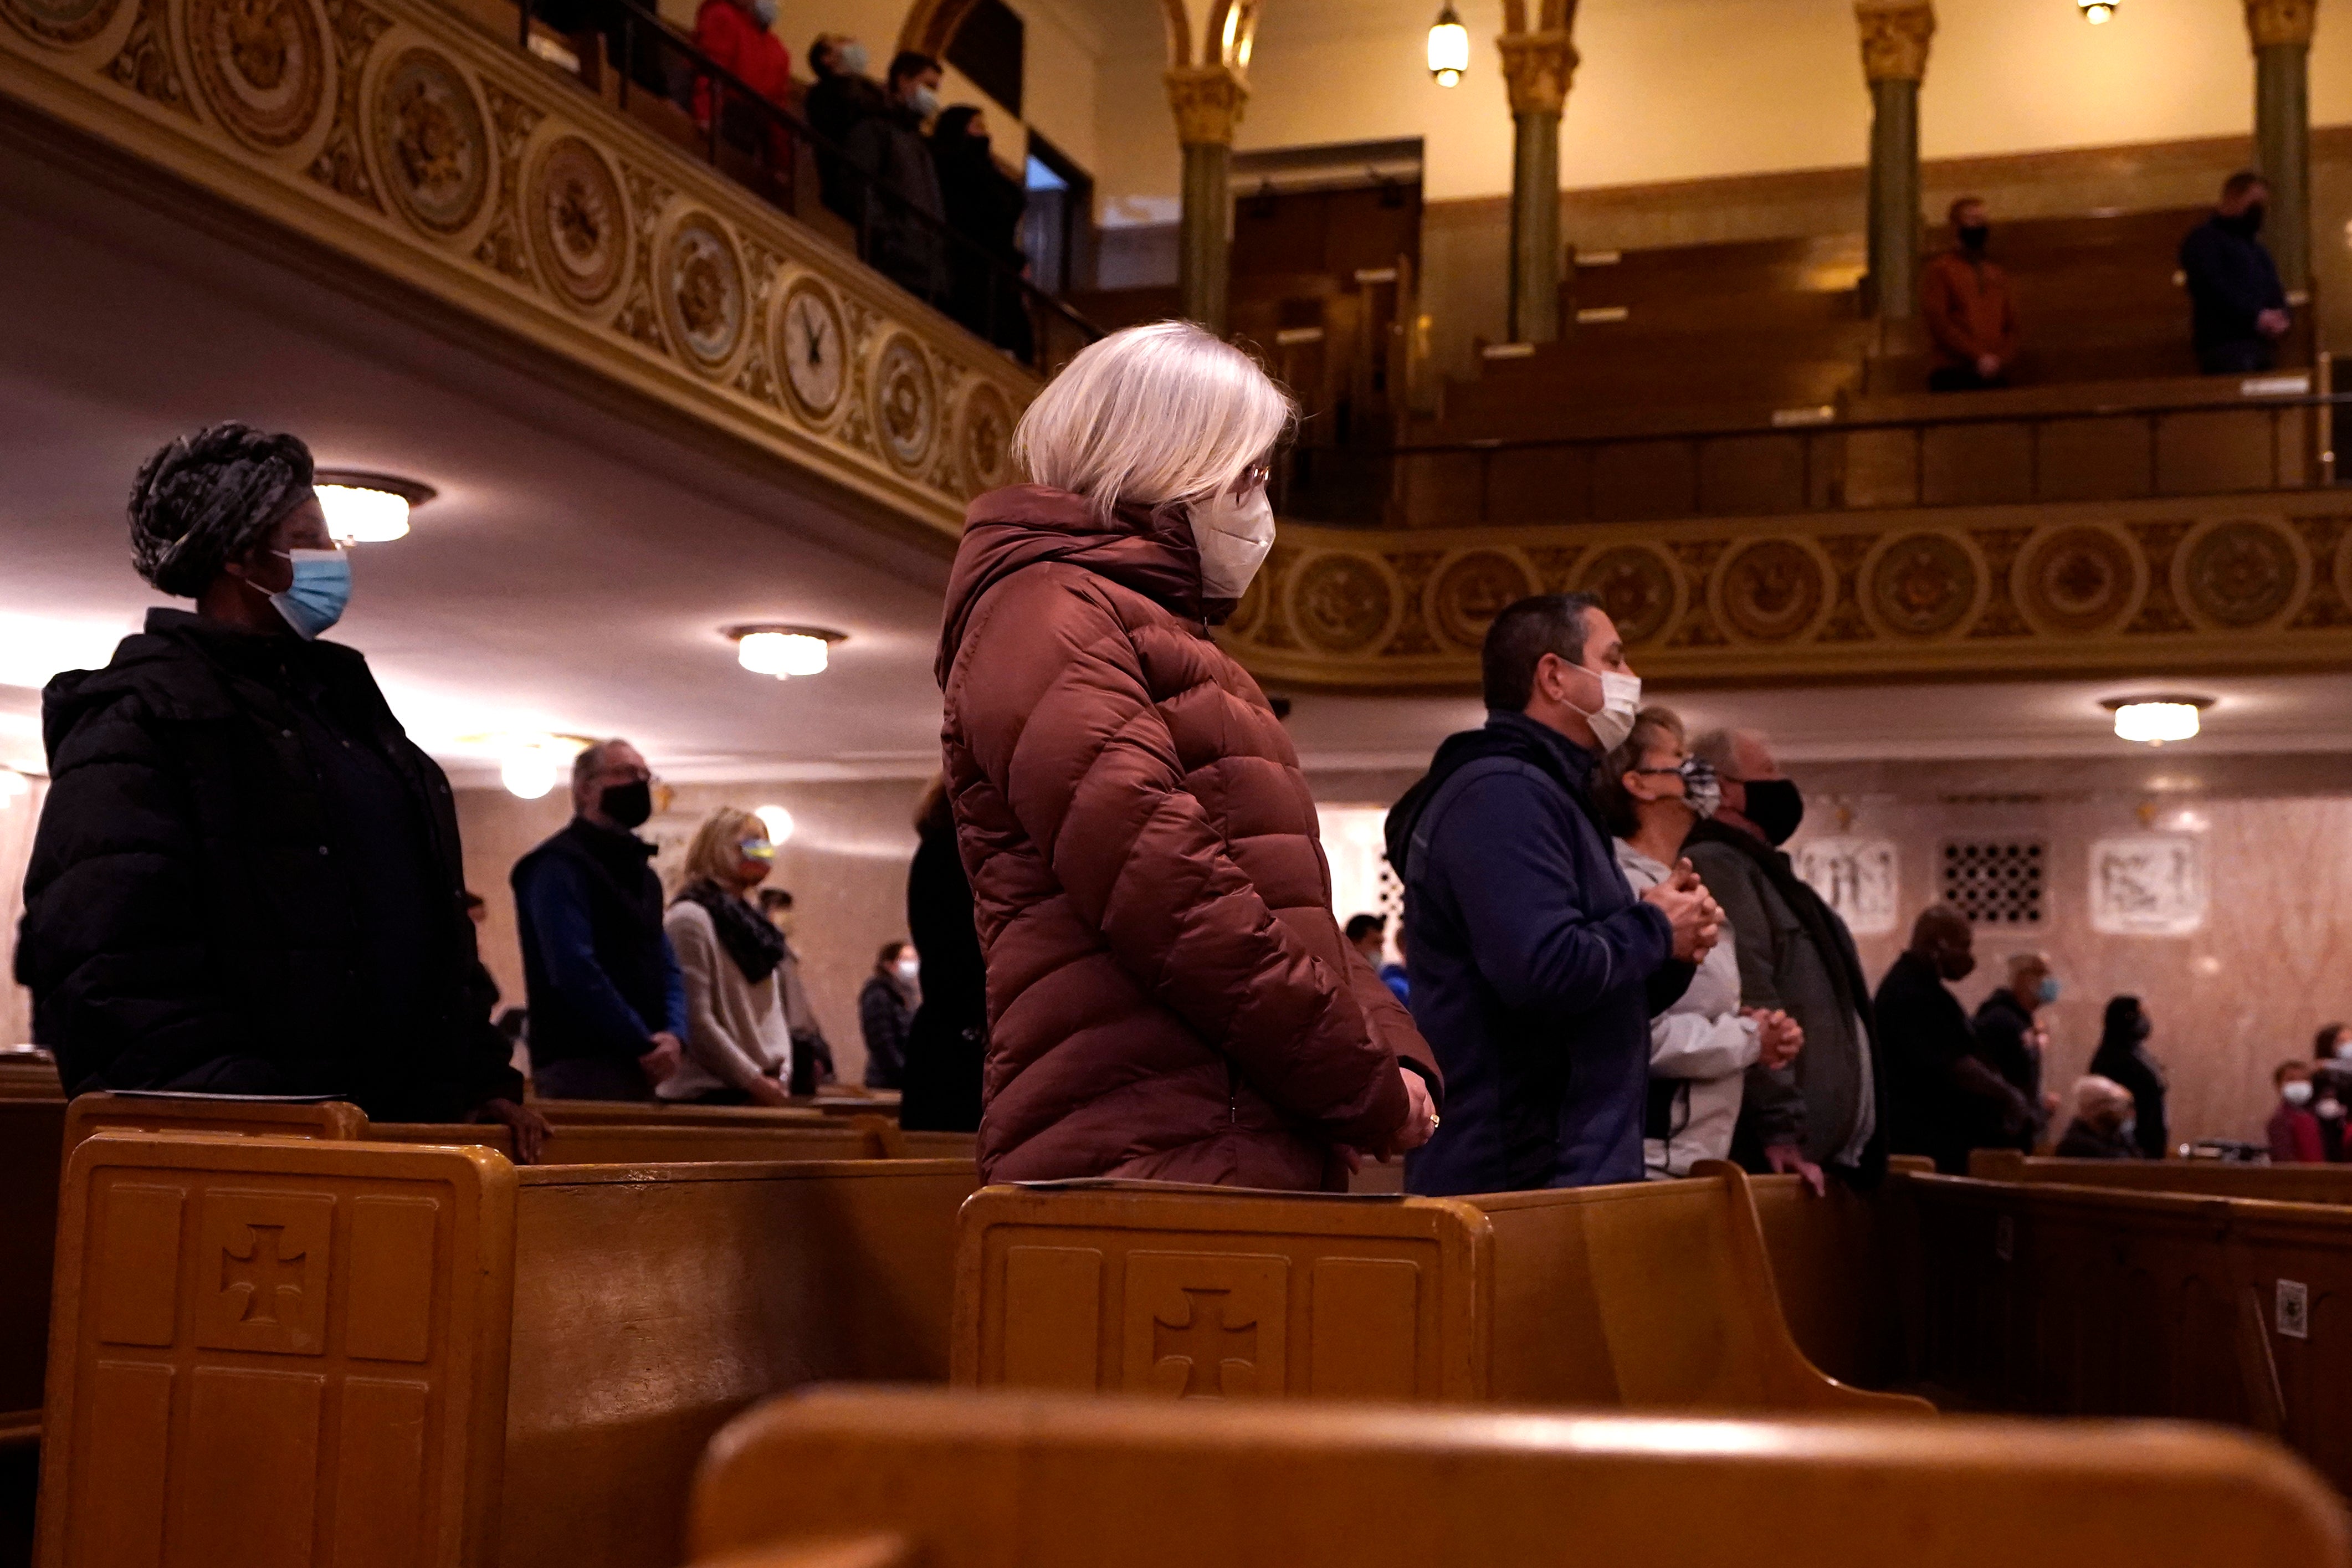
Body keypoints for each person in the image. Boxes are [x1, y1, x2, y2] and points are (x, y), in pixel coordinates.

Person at [935, 320, 1438, 1188]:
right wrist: (1363, 1083)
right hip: (1141, 1150)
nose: (1260, 501)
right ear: (1173, 463)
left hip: (1220, 1134)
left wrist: (1397, 1053)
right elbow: (1173, 896)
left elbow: (1286, 900)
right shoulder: (1047, 611)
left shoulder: (1155, 631)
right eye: (1248, 473)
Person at [15, 423, 547, 1159]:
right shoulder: (139, 723)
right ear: (238, 555)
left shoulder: (354, 721)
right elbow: (113, 964)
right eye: (307, 536)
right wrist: (261, 1117)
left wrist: (477, 1073)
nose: (330, 558)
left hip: (396, 1137)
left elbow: (431, 932)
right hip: (255, 1151)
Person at [1391, 597, 1720, 1195]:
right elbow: (1541, 972)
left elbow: (1590, 1001)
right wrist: (1653, 928)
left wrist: (1673, 948)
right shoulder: (1502, 795)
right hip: (1518, 1172)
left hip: (1569, 1165)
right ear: (1554, 676)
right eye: (1613, 659)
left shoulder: (1555, 793)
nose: (1630, 678)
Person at [1594, 706, 1800, 1179]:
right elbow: (1635, 1032)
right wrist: (1747, 1040)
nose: (1696, 771)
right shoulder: (1620, 886)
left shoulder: (1679, 878)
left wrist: (1747, 1026)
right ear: (1638, 783)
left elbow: (1687, 1006)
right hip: (1646, 1150)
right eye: (1678, 757)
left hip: (1691, 1150)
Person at [1684, 728, 1886, 1195]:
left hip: (1814, 1160)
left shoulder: (1762, 871)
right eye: (1769, 771)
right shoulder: (1719, 865)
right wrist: (1780, 1126)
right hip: (1776, 1160)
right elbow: (1751, 994)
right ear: (1727, 790)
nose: (1781, 782)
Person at [511, 739, 688, 1101]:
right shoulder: (556, 865)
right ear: (586, 788)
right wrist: (640, 1040)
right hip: (580, 1063)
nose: (639, 783)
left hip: (644, 1061)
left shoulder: (644, 876)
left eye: (645, 775)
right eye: (625, 773)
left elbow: (667, 964)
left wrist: (674, 1035)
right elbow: (573, 968)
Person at [1873, 904, 2030, 1174]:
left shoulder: (1923, 987)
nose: (1969, 956)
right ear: (1939, 944)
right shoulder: (1910, 992)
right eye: (1964, 946)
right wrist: (2008, 1095)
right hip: (1928, 1144)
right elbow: (1952, 1064)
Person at [661, 807, 792, 1105]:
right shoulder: (690, 918)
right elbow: (697, 1018)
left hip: (758, 1086)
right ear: (716, 849)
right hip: (706, 1091)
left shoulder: (757, 928)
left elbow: (773, 1010)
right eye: (749, 844)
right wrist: (753, 1080)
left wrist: (782, 1072)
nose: (760, 854)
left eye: (764, 845)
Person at [898, 776, 986, 1131]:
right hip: (959, 1047)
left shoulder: (940, 847)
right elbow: (956, 957)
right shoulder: (950, 851)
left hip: (947, 1039)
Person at [844, 52, 948, 305]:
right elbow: (858, 187)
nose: (932, 97)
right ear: (903, 80)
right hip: (893, 262)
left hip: (925, 270)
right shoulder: (874, 128)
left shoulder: (919, 144)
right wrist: (889, 239)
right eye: (928, 86)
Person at [931, 106, 1034, 361]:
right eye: (976, 126)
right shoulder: (952, 165)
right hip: (969, 264)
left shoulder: (988, 170)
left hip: (997, 268)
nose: (984, 134)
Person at [2180, 172, 2291, 375]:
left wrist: (2280, 316)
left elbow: (2274, 287)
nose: (2258, 212)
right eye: (2254, 204)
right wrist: (2256, 316)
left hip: (2262, 345)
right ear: (2232, 198)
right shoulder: (2204, 241)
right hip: (2224, 344)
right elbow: (2212, 289)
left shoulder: (2257, 249)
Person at [1920, 196, 2020, 392]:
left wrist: (1999, 359)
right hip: (1953, 370)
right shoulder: (1940, 270)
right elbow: (1940, 322)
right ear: (1956, 226)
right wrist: (1978, 356)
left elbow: (2012, 325)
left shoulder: (1996, 273)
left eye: (1982, 220)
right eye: (1972, 220)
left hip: (1994, 371)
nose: (1979, 226)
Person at [1970, 952, 2060, 1152]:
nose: (2051, 983)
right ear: (2025, 980)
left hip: (2019, 1126)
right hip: (2002, 1136)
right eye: (2042, 975)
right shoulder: (2000, 1021)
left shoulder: (2021, 1022)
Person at [691, 0, 791, 166]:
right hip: (723, 115)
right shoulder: (724, 16)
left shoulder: (778, 50)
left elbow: (777, 107)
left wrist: (779, 161)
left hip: (750, 131)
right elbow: (712, 70)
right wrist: (704, 114)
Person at [756, 887, 837, 1092]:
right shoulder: (763, 950)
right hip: (782, 1041)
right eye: (782, 909)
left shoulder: (785, 953)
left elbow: (799, 1004)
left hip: (798, 1041)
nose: (788, 917)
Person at [805, 34, 884, 221]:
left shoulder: (872, 94)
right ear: (827, 59)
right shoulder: (823, 96)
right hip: (847, 184)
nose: (853, 44)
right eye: (841, 43)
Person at [2089, 994, 2169, 1161]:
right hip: (2126, 1153)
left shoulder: (2136, 1053)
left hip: (2145, 1149)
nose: (2146, 1020)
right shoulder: (2111, 1058)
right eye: (2141, 1015)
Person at [858, 940, 918, 1090]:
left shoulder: (906, 993)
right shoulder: (878, 994)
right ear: (889, 964)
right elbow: (882, 1041)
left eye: (914, 959)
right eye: (906, 960)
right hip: (886, 1080)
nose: (913, 964)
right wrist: (905, 1073)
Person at [2054, 1075, 2141, 1160]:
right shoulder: (2077, 1145)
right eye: (2108, 1102)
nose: (2115, 1108)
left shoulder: (2116, 1135)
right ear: (2088, 1107)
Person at [2270, 1060, 2327, 1165]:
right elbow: (2284, 1159)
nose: (2298, 1084)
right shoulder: (2280, 1119)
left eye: (2304, 1079)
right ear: (2279, 1086)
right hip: (2299, 1178)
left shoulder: (2314, 1115)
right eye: (2291, 1080)